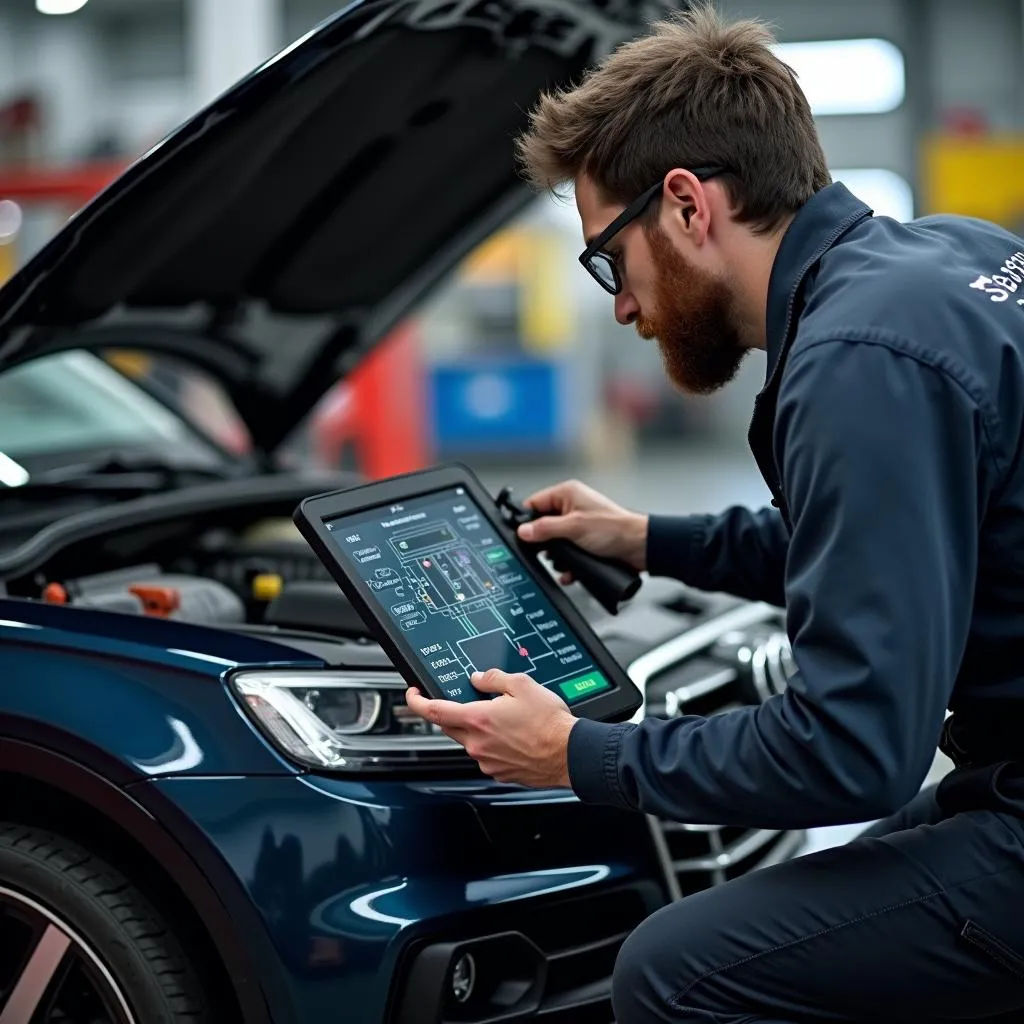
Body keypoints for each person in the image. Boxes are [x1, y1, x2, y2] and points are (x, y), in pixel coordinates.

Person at [405, 4, 1024, 1021]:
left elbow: (854, 749)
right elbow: (894, 543)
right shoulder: (941, 260)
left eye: (609, 257)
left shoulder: (854, 361)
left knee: (679, 969)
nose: (618, 303)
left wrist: (575, 755)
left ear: (688, 206)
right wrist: (653, 540)